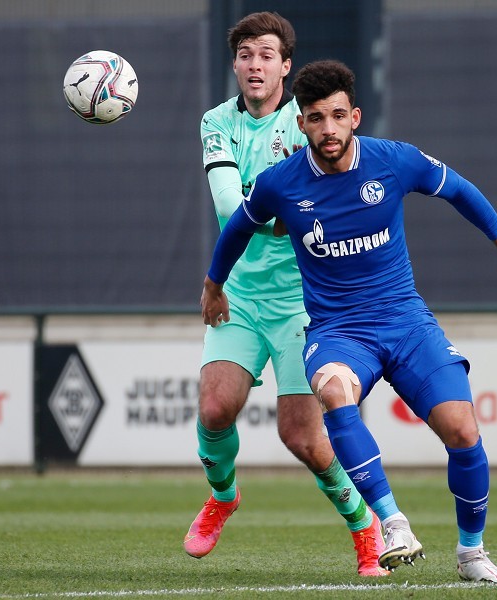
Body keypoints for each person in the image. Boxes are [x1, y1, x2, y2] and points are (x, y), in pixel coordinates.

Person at [201, 59, 497, 584]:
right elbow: (237, 230)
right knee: (335, 392)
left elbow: (458, 188)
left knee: (462, 430)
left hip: (406, 321)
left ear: (355, 116)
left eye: (338, 116)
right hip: (339, 331)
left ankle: (472, 554)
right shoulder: (281, 183)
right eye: (316, 118)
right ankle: (392, 523)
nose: (329, 129)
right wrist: (213, 285)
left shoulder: (394, 161)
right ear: (301, 124)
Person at [184, 15, 389, 578]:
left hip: (305, 301)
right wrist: (284, 215)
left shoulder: (306, 124)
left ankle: (363, 526)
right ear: (235, 65)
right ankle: (223, 496)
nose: (255, 65)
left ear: (285, 65)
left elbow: (331, 197)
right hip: (239, 295)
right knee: (213, 407)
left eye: (267, 55)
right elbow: (230, 207)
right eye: (246, 54)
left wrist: (284, 214)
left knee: (301, 436)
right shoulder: (216, 122)